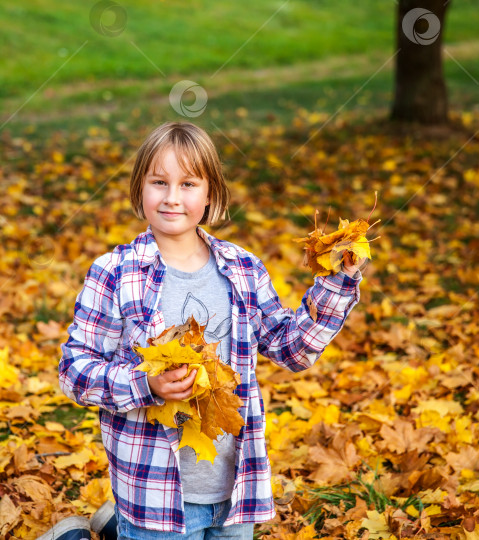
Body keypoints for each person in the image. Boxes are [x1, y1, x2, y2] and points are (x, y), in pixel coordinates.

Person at [58, 121, 365, 539]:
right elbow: (74, 370)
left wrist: (336, 283)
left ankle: (109, 528)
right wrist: (146, 384)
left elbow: (292, 348)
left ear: (210, 195)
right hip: (153, 496)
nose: (171, 198)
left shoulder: (242, 269)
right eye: (159, 182)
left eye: (187, 184)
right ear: (139, 189)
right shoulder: (116, 273)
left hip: (236, 493)